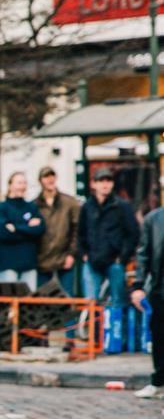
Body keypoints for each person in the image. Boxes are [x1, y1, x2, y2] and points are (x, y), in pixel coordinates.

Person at [78, 168, 137, 307]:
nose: (105, 184)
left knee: (118, 301)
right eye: (101, 181)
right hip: (92, 261)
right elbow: (81, 232)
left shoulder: (122, 206)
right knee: (91, 302)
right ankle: (96, 329)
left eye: (108, 180)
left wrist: (122, 257)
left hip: (114, 261)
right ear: (94, 184)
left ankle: (116, 329)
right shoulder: (87, 207)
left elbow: (133, 233)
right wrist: (84, 254)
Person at [130, 204, 164, 400]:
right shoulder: (154, 218)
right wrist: (138, 285)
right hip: (160, 287)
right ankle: (158, 381)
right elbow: (143, 254)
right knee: (159, 335)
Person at [0, 172, 46, 290]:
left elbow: (39, 230)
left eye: (24, 183)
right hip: (8, 264)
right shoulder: (2, 208)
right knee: (8, 304)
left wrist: (16, 228)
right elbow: (4, 234)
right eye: (19, 182)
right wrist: (28, 228)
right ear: (10, 185)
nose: (22, 186)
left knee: (28, 304)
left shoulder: (31, 207)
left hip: (29, 263)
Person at [35, 165, 81, 293]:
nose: (50, 180)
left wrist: (72, 254)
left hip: (64, 257)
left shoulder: (70, 202)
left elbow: (77, 229)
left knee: (67, 298)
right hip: (42, 259)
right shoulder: (34, 205)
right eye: (46, 177)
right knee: (43, 300)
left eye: (52, 176)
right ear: (40, 181)